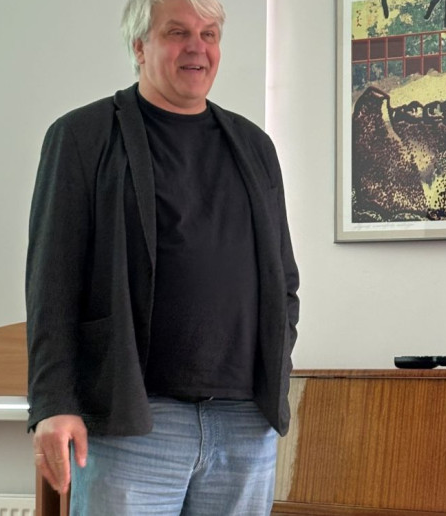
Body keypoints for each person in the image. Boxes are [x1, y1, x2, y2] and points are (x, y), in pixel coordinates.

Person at [25, 0, 300, 513]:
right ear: (139, 46)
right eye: (178, 33)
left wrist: (278, 366)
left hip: (245, 421)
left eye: (209, 34)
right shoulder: (82, 136)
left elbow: (283, 277)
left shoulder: (255, 146)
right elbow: (52, 283)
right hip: (133, 421)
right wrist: (54, 402)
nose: (198, 47)